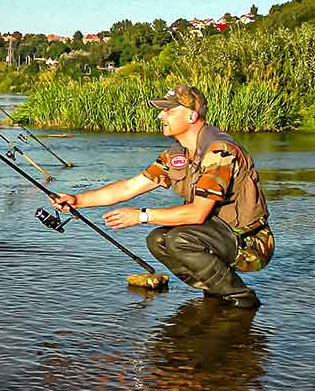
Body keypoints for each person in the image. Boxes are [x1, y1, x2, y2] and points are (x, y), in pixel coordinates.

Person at [50, 84, 274, 308]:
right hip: (217, 233)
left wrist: (141, 216)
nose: (160, 115)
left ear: (192, 115)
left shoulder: (219, 151)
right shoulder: (177, 154)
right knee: (158, 240)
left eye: (169, 111)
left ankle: (242, 299)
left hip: (251, 243)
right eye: (162, 110)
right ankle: (217, 293)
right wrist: (77, 200)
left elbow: (197, 213)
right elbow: (129, 187)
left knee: (179, 240)